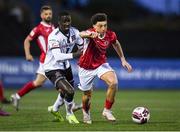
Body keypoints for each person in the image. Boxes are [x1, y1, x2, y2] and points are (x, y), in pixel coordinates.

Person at [78, 13, 133, 124]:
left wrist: (123, 59)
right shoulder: (90, 32)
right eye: (100, 26)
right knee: (87, 96)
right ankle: (86, 112)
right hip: (86, 68)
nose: (103, 28)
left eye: (105, 25)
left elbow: (116, 44)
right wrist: (89, 35)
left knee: (113, 82)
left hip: (101, 64)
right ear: (94, 26)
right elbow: (81, 34)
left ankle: (107, 110)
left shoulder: (110, 35)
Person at [10, 5, 55, 111]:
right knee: (62, 83)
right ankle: (70, 106)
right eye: (46, 14)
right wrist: (27, 54)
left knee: (38, 82)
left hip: (54, 59)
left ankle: (17, 96)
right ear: (41, 15)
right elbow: (27, 40)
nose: (48, 16)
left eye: (50, 14)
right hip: (47, 60)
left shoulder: (53, 26)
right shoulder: (38, 28)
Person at [44, 11, 83, 124]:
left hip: (66, 66)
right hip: (52, 68)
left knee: (66, 91)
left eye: (68, 21)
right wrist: (76, 54)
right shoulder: (53, 36)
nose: (67, 23)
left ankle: (54, 108)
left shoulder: (75, 32)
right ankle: (69, 114)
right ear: (59, 22)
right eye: (64, 21)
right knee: (70, 91)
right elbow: (58, 56)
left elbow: (82, 47)